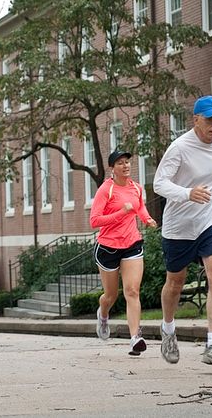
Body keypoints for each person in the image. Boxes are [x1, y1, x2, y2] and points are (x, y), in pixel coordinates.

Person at [153, 95, 212, 365]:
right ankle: (168, 330)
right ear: (196, 120)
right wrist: (188, 193)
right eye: (210, 119)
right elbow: (159, 184)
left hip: (209, 221)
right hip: (179, 226)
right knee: (175, 284)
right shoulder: (179, 148)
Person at [90, 149, 158, 356]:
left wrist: (147, 219)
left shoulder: (136, 188)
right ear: (113, 168)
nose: (125, 166)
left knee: (132, 291)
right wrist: (121, 212)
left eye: (127, 162)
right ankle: (103, 315)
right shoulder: (106, 190)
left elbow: (140, 209)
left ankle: (135, 337)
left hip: (132, 244)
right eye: (120, 163)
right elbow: (94, 221)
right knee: (111, 296)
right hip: (108, 247)